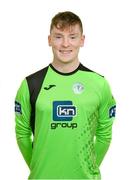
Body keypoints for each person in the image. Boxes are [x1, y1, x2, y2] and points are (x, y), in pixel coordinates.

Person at [15, 11, 116, 179]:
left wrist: (87, 168)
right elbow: (22, 133)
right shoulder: (31, 84)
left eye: (73, 37)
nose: (65, 44)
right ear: (49, 40)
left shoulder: (99, 84)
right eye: (58, 37)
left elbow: (105, 133)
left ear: (82, 40)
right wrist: (39, 165)